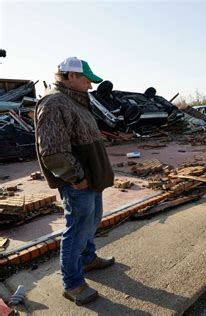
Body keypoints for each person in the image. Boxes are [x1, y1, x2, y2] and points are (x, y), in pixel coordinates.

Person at [35, 57, 115, 305]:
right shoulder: (55, 102)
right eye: (86, 80)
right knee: (77, 230)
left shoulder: (76, 100)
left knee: (91, 222)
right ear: (70, 76)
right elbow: (52, 151)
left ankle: (88, 259)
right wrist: (77, 177)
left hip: (92, 179)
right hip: (79, 182)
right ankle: (72, 284)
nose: (90, 86)